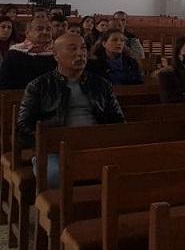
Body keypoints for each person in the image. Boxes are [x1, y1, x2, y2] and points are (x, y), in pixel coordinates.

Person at [17, 33, 124, 186]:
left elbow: (118, 121)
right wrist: (50, 141)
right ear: (56, 55)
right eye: (73, 49)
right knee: (55, 175)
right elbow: (24, 126)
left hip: (95, 145)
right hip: (55, 149)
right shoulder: (39, 86)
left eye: (83, 48)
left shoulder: (101, 84)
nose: (80, 53)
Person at [0, 16, 57, 89]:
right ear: (27, 33)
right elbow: (4, 83)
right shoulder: (14, 53)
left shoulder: (57, 52)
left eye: (48, 29)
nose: (45, 32)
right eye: (39, 29)